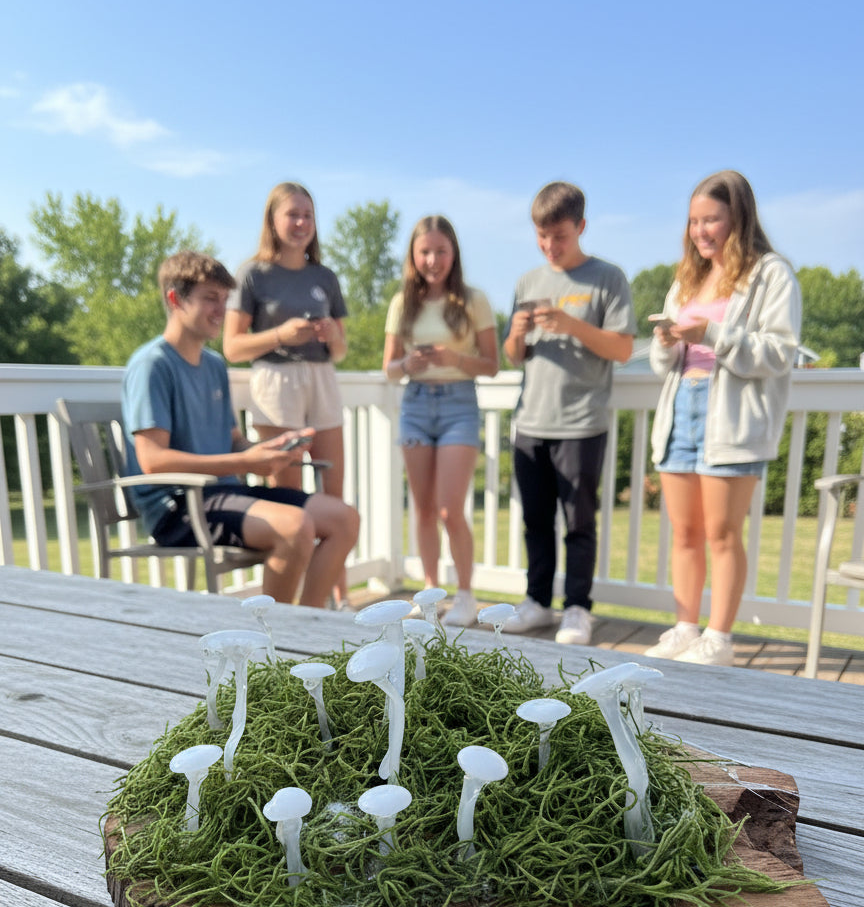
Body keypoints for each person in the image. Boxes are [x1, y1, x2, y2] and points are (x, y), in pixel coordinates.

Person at [122, 250, 359, 607]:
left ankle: (305, 630)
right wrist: (247, 464)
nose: (222, 311)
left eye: (224, 299)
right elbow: (153, 460)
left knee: (344, 519)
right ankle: (272, 648)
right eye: (210, 299)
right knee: (294, 529)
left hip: (226, 492)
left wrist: (271, 450)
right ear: (175, 299)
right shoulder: (152, 365)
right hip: (180, 507)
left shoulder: (214, 365)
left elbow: (232, 440)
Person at [646, 170, 801, 665]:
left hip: (731, 417)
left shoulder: (771, 274)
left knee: (721, 533)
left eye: (711, 219)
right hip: (680, 411)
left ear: (739, 216)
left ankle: (719, 638)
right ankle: (685, 627)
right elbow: (661, 363)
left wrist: (709, 334)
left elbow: (780, 353)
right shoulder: (688, 277)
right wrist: (668, 341)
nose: (700, 231)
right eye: (694, 221)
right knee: (685, 532)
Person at [502, 182, 636, 644]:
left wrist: (571, 325)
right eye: (541, 236)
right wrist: (517, 333)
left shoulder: (608, 278)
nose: (549, 246)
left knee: (578, 523)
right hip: (529, 421)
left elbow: (621, 348)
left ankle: (577, 608)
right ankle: (537, 601)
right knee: (535, 521)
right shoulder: (527, 282)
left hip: (581, 423)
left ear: (580, 226)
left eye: (559, 236)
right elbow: (512, 356)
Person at [222, 182, 352, 606]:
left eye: (308, 216)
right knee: (291, 498)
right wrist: (280, 333)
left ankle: (337, 598)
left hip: (321, 379)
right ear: (273, 221)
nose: (301, 223)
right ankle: (291, 603)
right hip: (275, 382)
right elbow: (232, 347)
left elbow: (342, 350)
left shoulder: (325, 277)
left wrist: (332, 334)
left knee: (334, 494)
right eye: (292, 214)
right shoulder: (253, 274)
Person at [383, 215, 499, 628]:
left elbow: (491, 364)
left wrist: (454, 360)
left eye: (441, 251)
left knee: (451, 509)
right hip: (415, 404)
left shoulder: (473, 300)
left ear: (454, 254)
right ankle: (431, 594)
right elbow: (389, 369)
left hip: (458, 405)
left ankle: (466, 594)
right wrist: (408, 363)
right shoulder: (403, 303)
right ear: (414, 256)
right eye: (425, 251)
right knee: (425, 508)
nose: (433, 259)